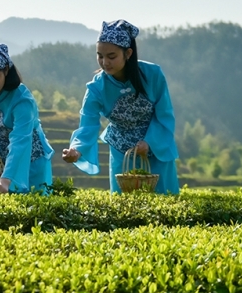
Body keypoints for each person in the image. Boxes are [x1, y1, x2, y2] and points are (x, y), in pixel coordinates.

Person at [62, 20, 180, 194]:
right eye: (100, 56)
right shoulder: (97, 87)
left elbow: (164, 114)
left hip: (156, 148)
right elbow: (88, 123)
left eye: (111, 56)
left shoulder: (153, 75)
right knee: (124, 203)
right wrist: (77, 150)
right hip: (122, 153)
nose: (104, 62)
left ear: (128, 53)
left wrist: (149, 143)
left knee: (164, 199)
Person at [0, 42, 54, 194]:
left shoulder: (22, 100)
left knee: (34, 205)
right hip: (0, 159)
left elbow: (21, 140)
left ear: (6, 70)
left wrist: (5, 179)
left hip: (29, 157)